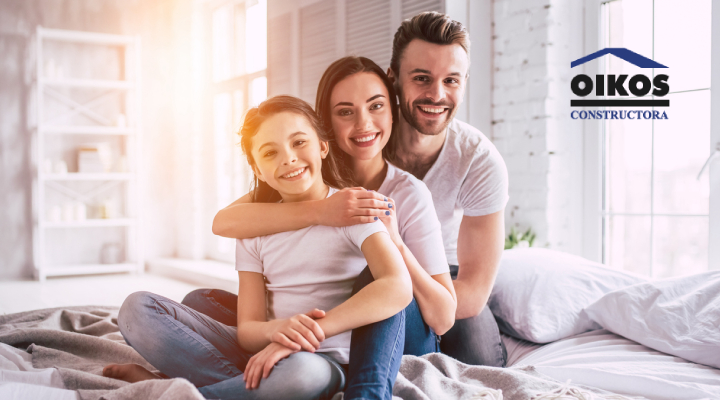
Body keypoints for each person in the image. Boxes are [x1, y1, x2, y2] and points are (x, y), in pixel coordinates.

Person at [102, 95, 413, 400]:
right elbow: (248, 330)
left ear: (322, 146)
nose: (288, 158)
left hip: (322, 361)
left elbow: (397, 286)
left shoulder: (352, 209)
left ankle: (167, 392)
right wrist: (276, 330)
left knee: (301, 376)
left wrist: (304, 336)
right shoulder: (256, 229)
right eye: (269, 153)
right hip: (266, 349)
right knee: (135, 308)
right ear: (257, 170)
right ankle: (240, 389)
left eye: (299, 142)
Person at [194, 56, 457, 395]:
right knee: (201, 302)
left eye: (376, 106)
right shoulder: (300, 175)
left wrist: (396, 244)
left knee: (374, 276)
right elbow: (224, 222)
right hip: (323, 320)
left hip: (393, 328)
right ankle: (264, 378)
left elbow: (441, 317)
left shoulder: (408, 192)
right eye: (346, 111)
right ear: (326, 127)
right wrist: (322, 211)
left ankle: (361, 388)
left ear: (392, 111)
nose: (363, 123)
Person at [385, 11, 509, 366]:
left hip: (445, 277)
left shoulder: (478, 160)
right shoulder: (364, 142)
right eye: (422, 78)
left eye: (451, 80)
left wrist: (413, 298)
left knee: (479, 359)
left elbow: (471, 292)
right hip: (371, 271)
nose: (437, 95)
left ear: (465, 81)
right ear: (393, 77)